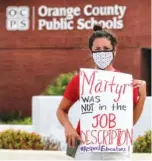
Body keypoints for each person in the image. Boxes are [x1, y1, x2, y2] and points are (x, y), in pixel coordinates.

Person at [56, 25, 146, 160]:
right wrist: (69, 128)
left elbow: (129, 122)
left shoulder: (125, 82)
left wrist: (143, 95)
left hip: (117, 150)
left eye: (106, 49)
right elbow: (61, 110)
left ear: (114, 51)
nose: (102, 53)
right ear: (91, 51)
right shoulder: (80, 80)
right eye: (97, 49)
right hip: (87, 149)